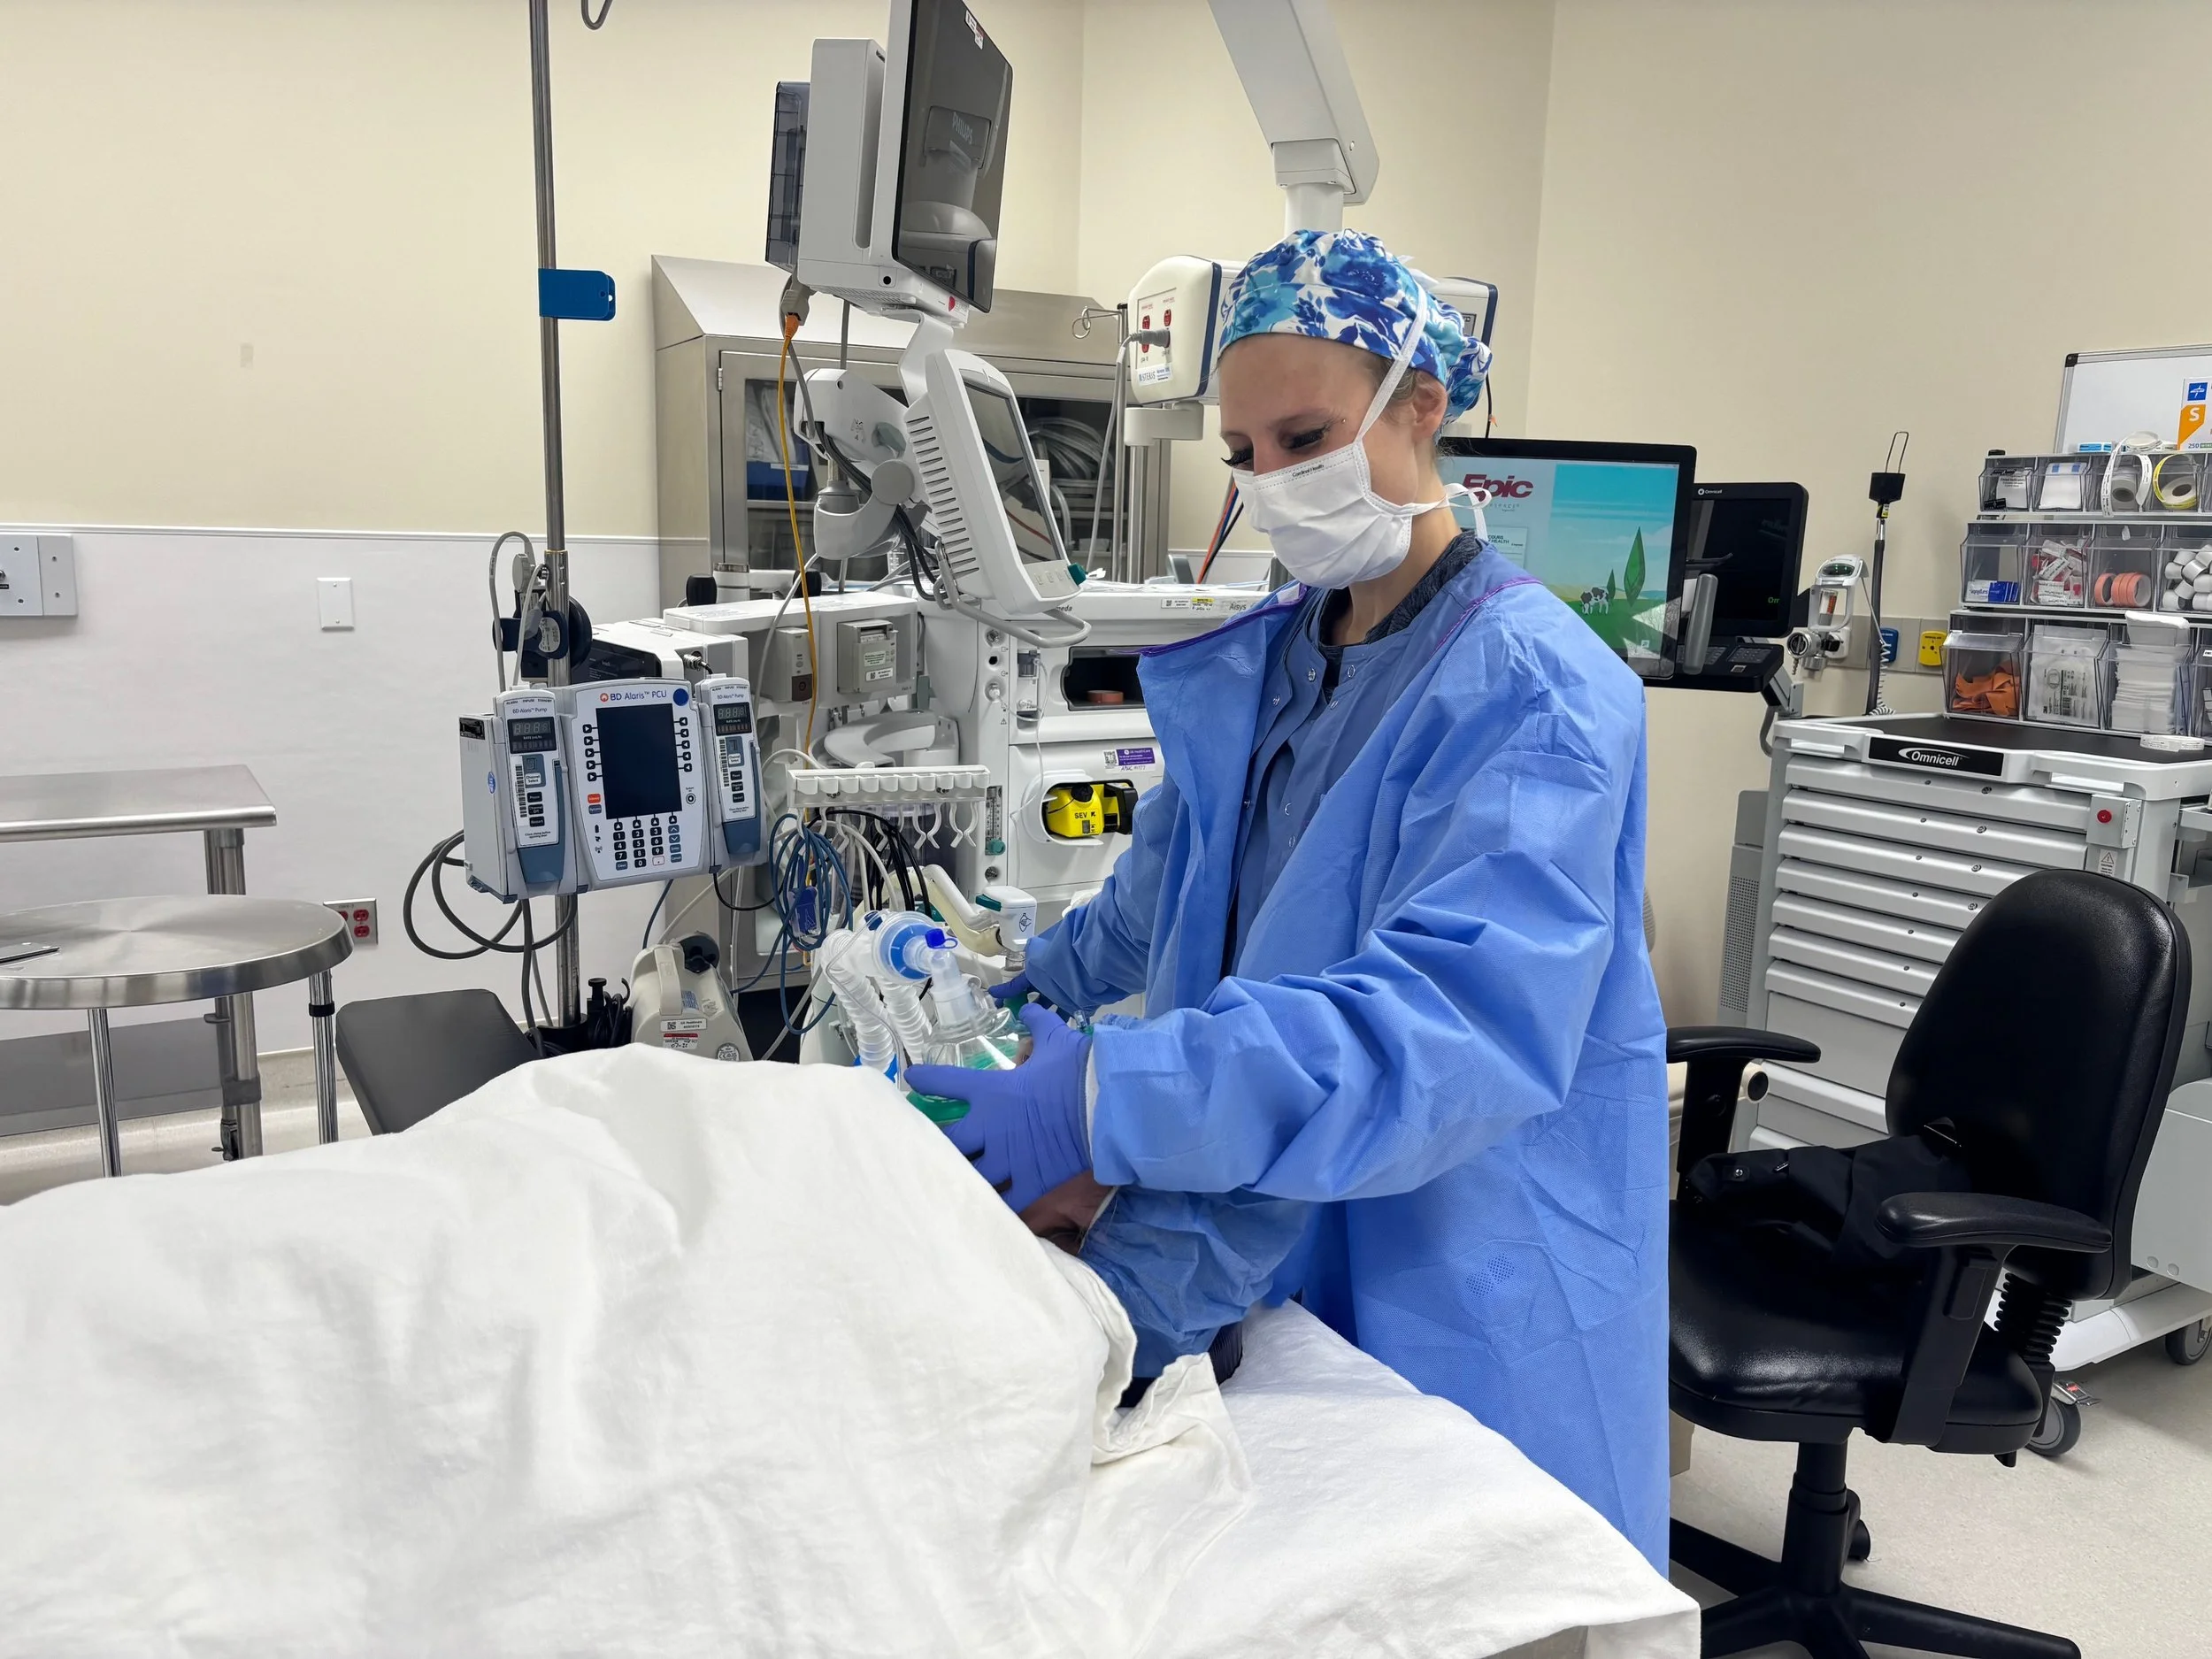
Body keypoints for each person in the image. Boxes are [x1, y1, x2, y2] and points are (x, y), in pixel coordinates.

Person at [904, 229, 1670, 1566]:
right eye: (1246, 455)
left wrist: (1097, 1098)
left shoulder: (1533, 696)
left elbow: (1443, 1029)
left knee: (1451, 1581)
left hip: (1457, 1245)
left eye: (1304, 434)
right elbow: (1168, 900)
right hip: (1254, 1199)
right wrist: (1012, 979)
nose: (1272, 483)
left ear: (1421, 404)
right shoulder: (1280, 657)